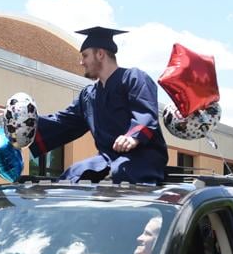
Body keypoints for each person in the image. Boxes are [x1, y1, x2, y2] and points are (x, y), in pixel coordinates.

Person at [29, 26, 168, 184]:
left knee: (121, 174)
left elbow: (146, 114)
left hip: (141, 160)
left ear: (100, 54)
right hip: (106, 159)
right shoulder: (88, 96)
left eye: (85, 56)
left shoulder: (134, 78)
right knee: (72, 175)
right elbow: (63, 122)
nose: (81, 62)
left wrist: (133, 136)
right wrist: (26, 125)